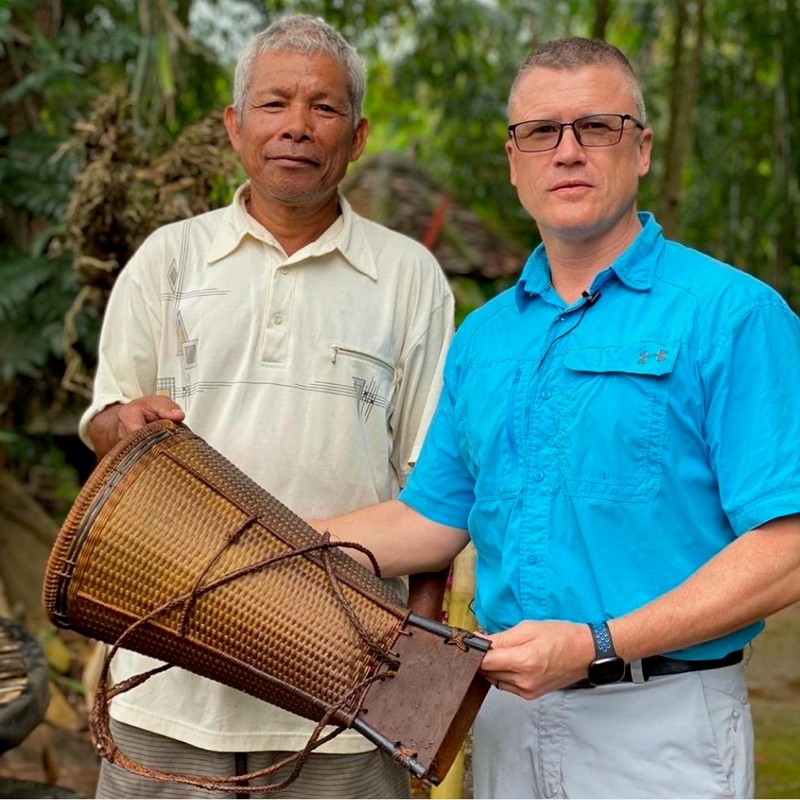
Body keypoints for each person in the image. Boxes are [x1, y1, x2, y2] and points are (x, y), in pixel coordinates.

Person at [313, 37, 800, 799]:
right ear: (514, 161)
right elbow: (432, 519)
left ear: (639, 149)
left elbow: (787, 546)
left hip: (660, 726)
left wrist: (597, 644)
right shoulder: (486, 338)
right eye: (542, 131)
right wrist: (282, 546)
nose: (567, 151)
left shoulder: (732, 316)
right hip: (503, 717)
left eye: (596, 127)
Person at [79, 14, 454, 799]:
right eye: (274, 103)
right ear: (234, 125)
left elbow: (435, 486)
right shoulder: (169, 259)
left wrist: (419, 665)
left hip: (346, 689)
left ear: (356, 137)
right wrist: (125, 425)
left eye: (323, 108)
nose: (296, 126)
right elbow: (109, 422)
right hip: (168, 679)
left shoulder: (409, 277)